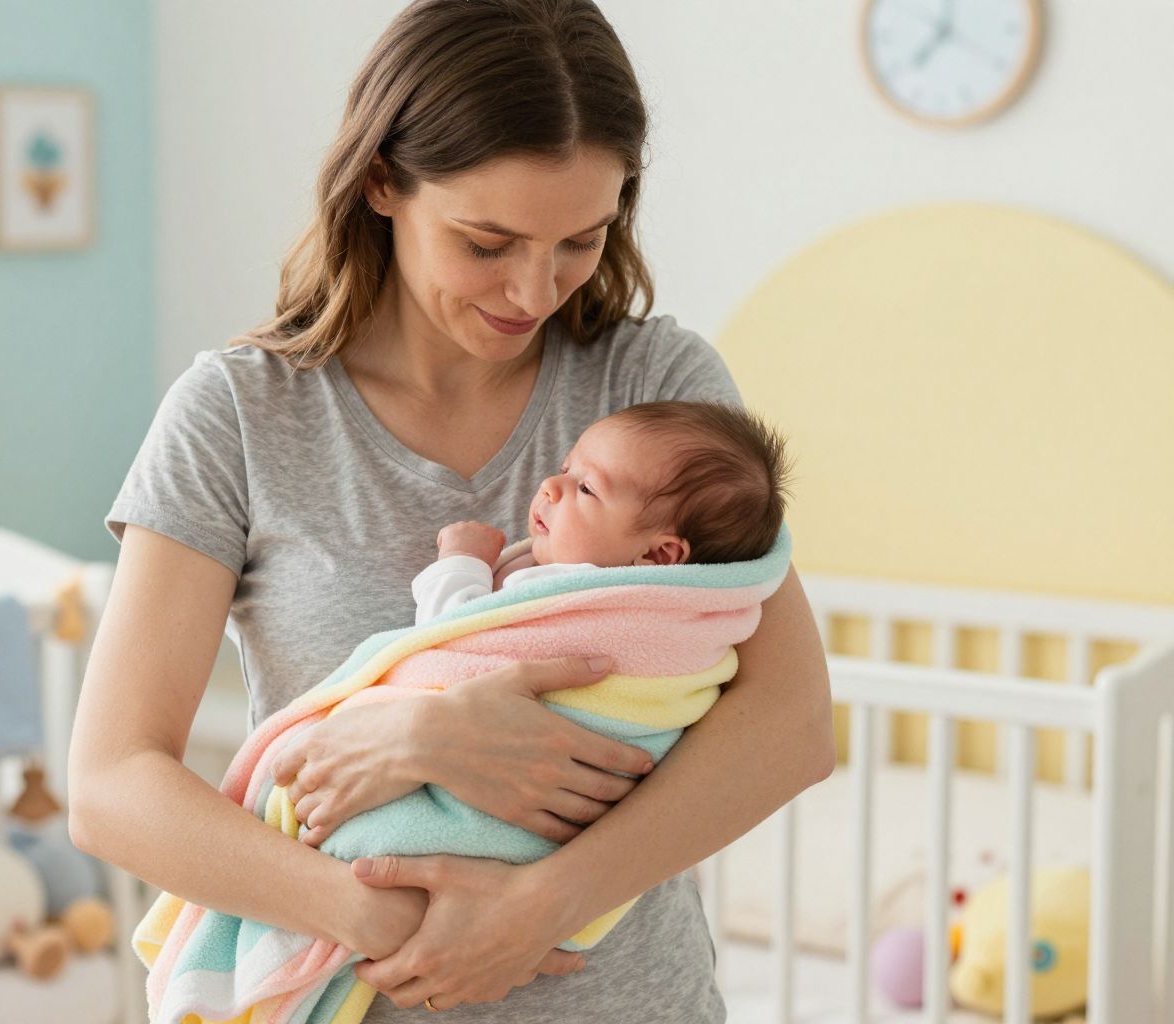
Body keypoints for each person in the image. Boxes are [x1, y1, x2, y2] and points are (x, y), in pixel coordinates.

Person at [67, 1, 834, 1020]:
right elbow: (112, 782)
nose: (534, 288)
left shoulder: (655, 392)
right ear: (382, 180)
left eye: (579, 241)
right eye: (487, 241)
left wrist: (539, 905)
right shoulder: (239, 414)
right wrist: (381, 893)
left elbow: (792, 722)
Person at [413, 400, 791, 627]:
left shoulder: (570, 596)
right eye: (565, 469)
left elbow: (446, 633)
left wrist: (461, 560)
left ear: (658, 555)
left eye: (586, 488)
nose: (549, 485)